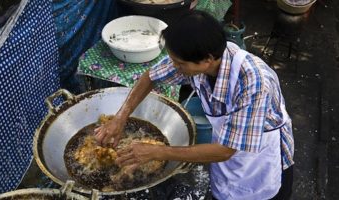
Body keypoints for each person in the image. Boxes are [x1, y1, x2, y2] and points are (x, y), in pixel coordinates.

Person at [94, 10, 294, 200]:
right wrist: (120, 118)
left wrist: (156, 151)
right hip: (227, 149)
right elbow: (151, 76)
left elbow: (225, 151)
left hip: (259, 160)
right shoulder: (199, 61)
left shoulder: (254, 83)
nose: (175, 68)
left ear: (207, 60)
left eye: (179, 64)